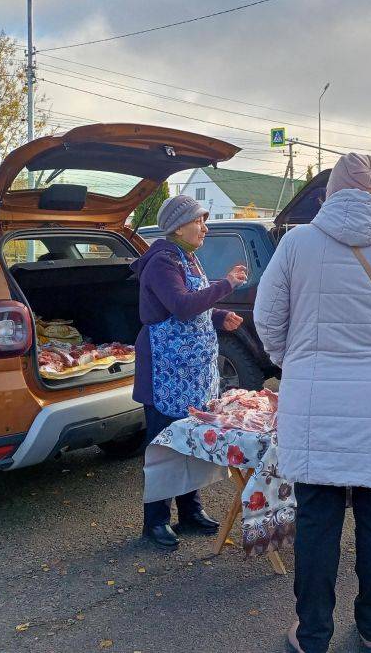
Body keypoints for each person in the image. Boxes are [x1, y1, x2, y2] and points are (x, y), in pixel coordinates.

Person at [254, 152, 371, 653]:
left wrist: (294, 359)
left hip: (314, 402)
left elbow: (268, 318)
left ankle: (313, 635)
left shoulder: (298, 244)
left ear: (331, 193)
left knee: (317, 521)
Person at [131, 195, 248, 548]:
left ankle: (190, 511)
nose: (205, 228)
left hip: (191, 374)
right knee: (164, 444)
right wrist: (226, 284)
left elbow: (188, 305)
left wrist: (217, 315)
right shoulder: (162, 263)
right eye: (200, 221)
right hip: (165, 372)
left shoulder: (188, 259)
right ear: (179, 225)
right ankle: (154, 522)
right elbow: (181, 306)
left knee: (191, 440)